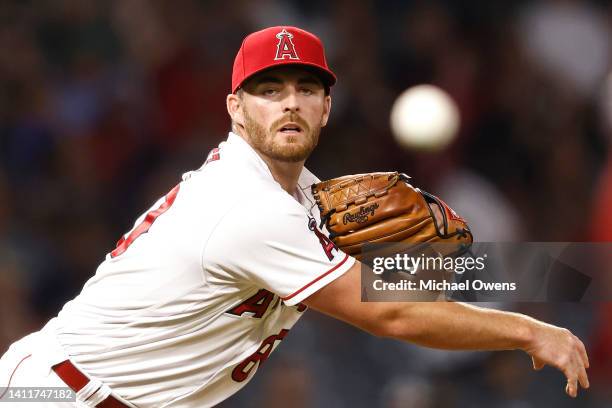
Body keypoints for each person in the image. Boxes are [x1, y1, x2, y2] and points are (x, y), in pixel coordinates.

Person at [0, 26, 589, 408]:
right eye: (269, 88)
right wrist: (530, 329)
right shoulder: (247, 206)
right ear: (235, 108)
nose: (289, 101)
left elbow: (391, 284)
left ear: (326, 108)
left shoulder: (301, 197)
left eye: (306, 88)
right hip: (51, 396)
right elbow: (396, 313)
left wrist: (560, 274)